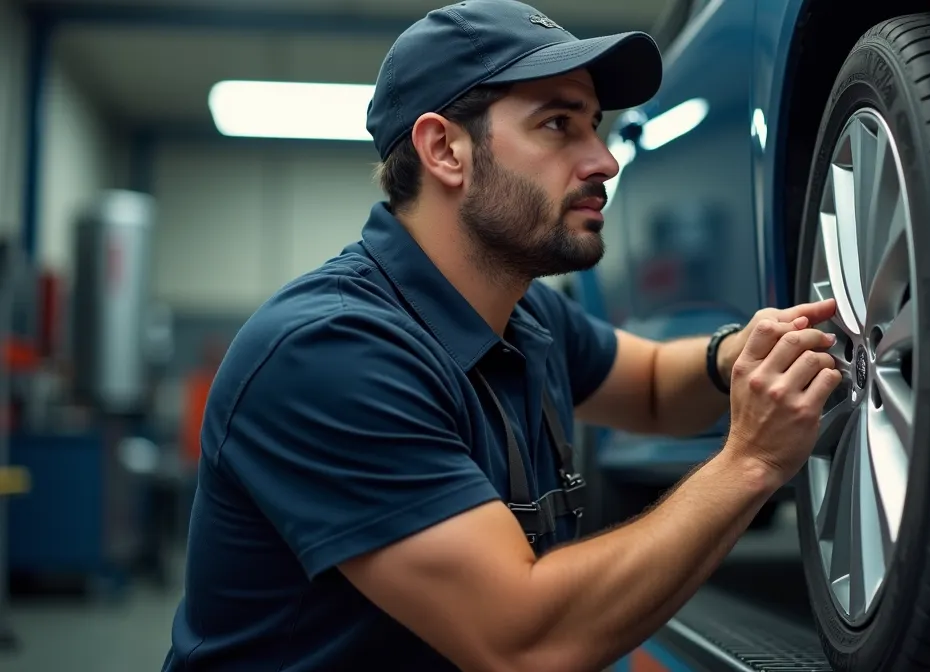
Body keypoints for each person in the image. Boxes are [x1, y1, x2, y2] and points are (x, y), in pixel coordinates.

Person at [162, 1, 842, 670]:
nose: (603, 160)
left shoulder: (525, 314)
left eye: (595, 126)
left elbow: (658, 389)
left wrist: (740, 354)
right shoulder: (331, 353)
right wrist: (749, 463)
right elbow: (525, 645)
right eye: (557, 125)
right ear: (444, 150)